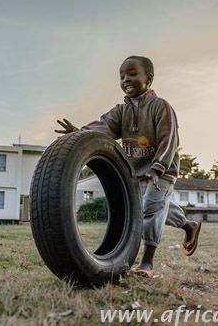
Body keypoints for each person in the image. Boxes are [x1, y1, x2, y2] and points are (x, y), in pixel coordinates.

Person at [55, 56, 201, 278]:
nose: (126, 79)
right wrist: (79, 132)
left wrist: (157, 167)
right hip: (137, 171)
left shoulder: (161, 107)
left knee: (151, 207)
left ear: (149, 79)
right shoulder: (121, 111)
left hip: (162, 170)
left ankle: (147, 263)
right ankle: (188, 225)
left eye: (132, 74)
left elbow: (169, 139)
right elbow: (102, 127)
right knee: (156, 206)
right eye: (122, 76)